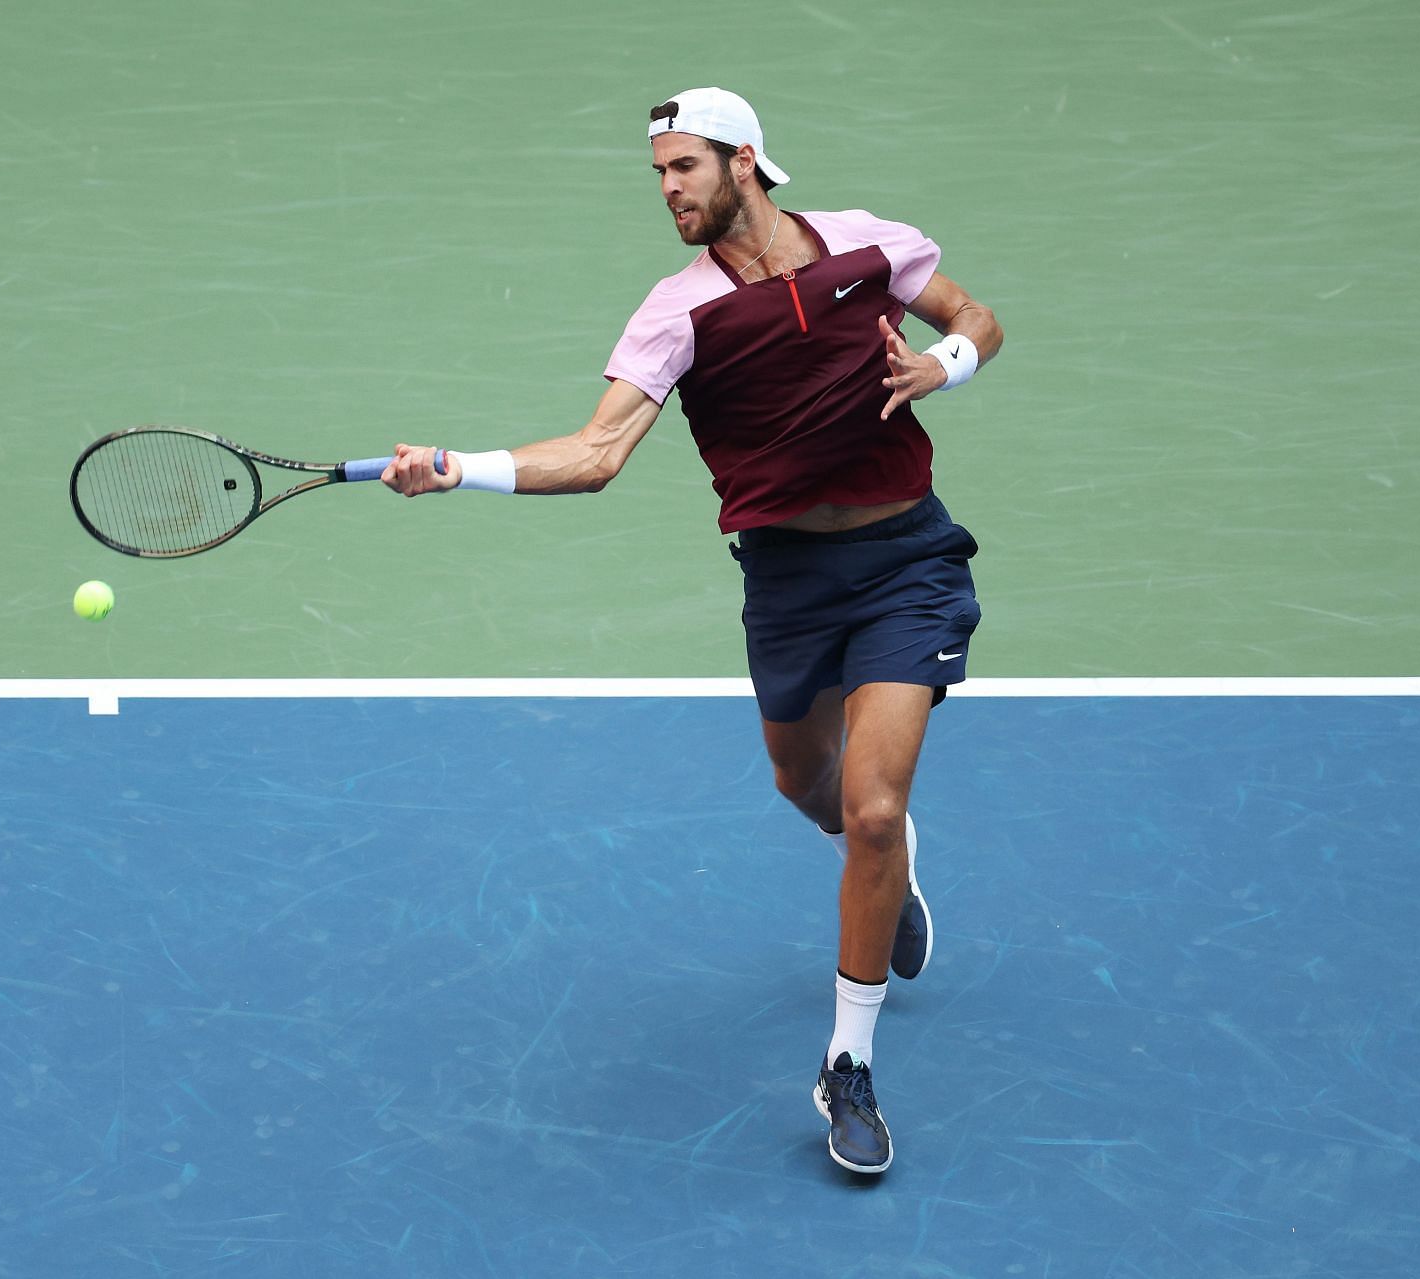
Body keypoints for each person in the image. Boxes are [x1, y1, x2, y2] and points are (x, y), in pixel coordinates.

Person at [380, 87, 1003, 1176]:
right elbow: (596, 452)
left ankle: (846, 1066)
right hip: (789, 578)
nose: (667, 189)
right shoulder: (678, 311)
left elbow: (977, 321)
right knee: (805, 787)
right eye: (658, 173)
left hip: (908, 559)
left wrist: (941, 365)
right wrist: (456, 469)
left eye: (684, 167)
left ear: (744, 162)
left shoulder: (866, 245)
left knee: (872, 808)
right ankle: (891, 880)